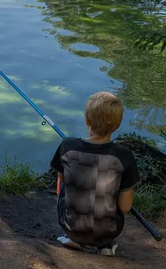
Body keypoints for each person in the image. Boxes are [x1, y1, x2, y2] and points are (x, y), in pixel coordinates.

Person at [50, 91, 141, 256]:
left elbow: (62, 179)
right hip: (109, 231)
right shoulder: (124, 156)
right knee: (114, 192)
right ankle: (105, 245)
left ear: (86, 120)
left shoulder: (67, 145)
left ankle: (73, 237)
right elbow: (125, 207)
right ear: (118, 125)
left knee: (62, 178)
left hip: (70, 225)